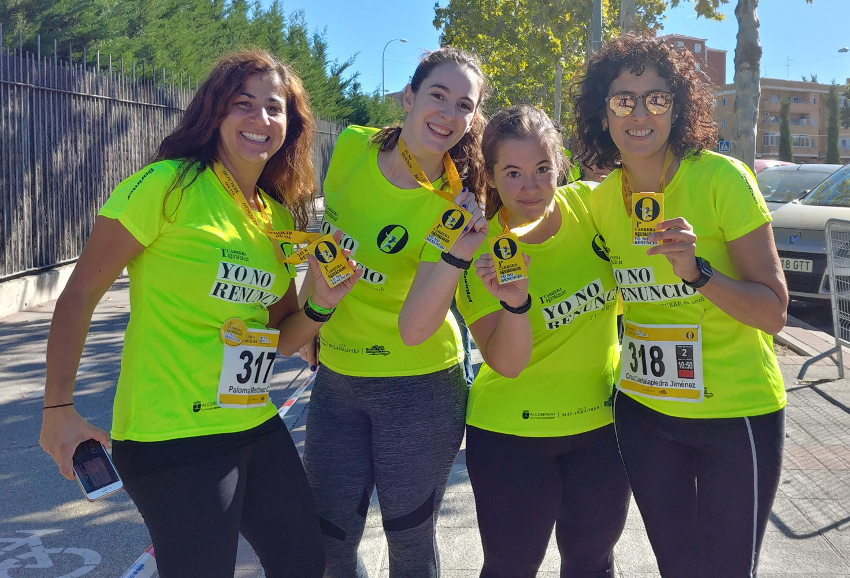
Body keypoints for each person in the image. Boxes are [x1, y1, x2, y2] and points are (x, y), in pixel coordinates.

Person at [39, 50, 362, 578]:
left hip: (253, 422)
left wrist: (323, 301)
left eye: (275, 109)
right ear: (215, 112)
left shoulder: (274, 215)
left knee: (305, 561)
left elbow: (281, 338)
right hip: (172, 435)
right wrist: (58, 409)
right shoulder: (167, 185)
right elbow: (77, 298)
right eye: (244, 104)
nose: (261, 120)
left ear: (291, 125)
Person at [573, 35, 788, 577]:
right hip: (645, 415)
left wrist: (698, 273)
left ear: (679, 105)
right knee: (677, 567)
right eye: (623, 99)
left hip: (733, 413)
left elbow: (773, 312)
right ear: (603, 111)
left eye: (656, 97)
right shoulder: (600, 200)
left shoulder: (721, 179)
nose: (640, 113)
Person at [299, 47, 488, 577]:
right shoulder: (352, 148)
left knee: (409, 546)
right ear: (408, 97)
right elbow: (324, 247)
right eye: (437, 95)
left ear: (472, 120)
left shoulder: (453, 202)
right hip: (338, 378)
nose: (448, 114)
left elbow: (418, 322)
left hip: (419, 384)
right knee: (330, 541)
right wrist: (307, 318)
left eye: (464, 106)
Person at [449, 104, 630, 577]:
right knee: (512, 566)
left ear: (560, 164)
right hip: (512, 436)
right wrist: (516, 303)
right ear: (489, 175)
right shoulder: (481, 248)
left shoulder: (591, 207)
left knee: (593, 562)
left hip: (600, 429)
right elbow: (505, 363)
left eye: (543, 169)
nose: (531, 187)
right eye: (513, 173)